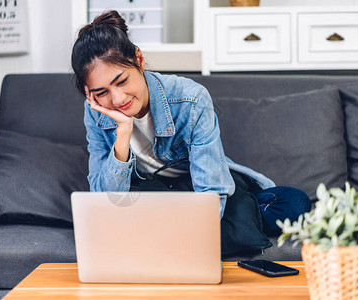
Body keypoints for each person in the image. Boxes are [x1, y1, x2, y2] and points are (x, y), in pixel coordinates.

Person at [71, 10, 311, 254]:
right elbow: (103, 198)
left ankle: (158, 239)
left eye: (122, 81)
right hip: (150, 195)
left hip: (194, 190)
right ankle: (231, 230)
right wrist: (122, 133)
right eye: (101, 92)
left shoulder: (190, 98)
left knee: (293, 204)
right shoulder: (96, 111)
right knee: (124, 210)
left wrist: (188, 235)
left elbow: (211, 190)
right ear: (91, 94)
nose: (118, 98)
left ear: (139, 61)